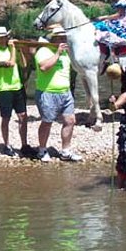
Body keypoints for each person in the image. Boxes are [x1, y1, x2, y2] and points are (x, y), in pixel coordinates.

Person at [34, 25, 82, 162]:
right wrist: (57, 54)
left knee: (70, 120)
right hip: (47, 92)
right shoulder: (43, 50)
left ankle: (65, 151)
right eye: (60, 37)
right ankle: (42, 150)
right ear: (53, 39)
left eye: (64, 37)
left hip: (65, 92)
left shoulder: (66, 53)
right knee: (47, 122)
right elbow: (44, 67)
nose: (63, 40)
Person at [0, 26, 33, 158]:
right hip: (4, 89)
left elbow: (23, 65)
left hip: (17, 87)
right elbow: (11, 63)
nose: (1, 40)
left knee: (23, 116)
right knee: (6, 118)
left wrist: (19, 50)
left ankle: (24, 144)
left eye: (3, 37)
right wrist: (13, 48)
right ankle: (6, 144)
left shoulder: (12, 49)